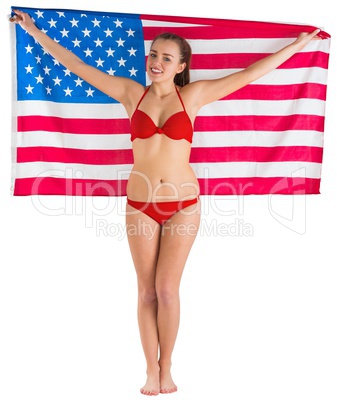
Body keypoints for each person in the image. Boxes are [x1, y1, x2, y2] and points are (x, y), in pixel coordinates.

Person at [11, 9, 321, 396]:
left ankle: (168, 366)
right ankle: (149, 370)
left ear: (181, 66)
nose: (156, 62)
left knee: (168, 289)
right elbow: (73, 63)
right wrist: (32, 29)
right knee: (146, 291)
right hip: (140, 204)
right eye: (154, 55)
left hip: (183, 205)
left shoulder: (192, 95)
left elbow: (249, 74)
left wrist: (298, 45)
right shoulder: (129, 92)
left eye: (166, 58)